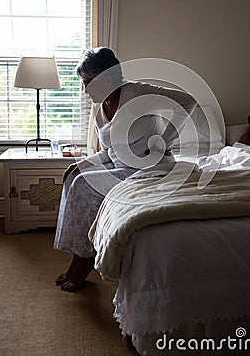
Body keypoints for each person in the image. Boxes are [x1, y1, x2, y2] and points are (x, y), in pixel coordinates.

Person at [54, 47, 197, 292]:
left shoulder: (138, 93)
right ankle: (79, 257)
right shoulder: (100, 108)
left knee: (82, 186)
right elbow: (109, 152)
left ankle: (84, 261)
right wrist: (80, 164)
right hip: (121, 168)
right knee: (73, 178)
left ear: (106, 79)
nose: (84, 90)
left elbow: (188, 101)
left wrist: (165, 140)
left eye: (87, 83)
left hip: (150, 169)